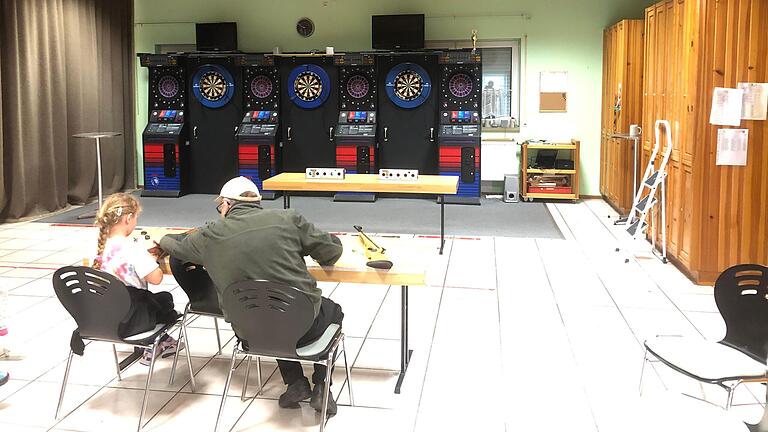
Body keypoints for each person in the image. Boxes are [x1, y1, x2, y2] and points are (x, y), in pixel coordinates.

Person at [157, 176, 344, 416]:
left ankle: (295, 383)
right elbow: (331, 253)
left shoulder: (209, 235)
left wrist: (162, 240)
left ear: (226, 204)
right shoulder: (288, 219)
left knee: (264, 313)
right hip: (304, 326)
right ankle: (322, 387)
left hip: (249, 332)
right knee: (331, 310)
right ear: (256, 202)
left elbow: (177, 247)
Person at [93, 192, 180, 365]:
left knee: (151, 301)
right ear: (128, 218)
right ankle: (154, 343)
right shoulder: (132, 248)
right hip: (132, 320)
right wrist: (151, 261)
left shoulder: (99, 246)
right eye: (135, 218)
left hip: (105, 317)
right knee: (165, 300)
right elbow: (156, 278)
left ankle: (162, 341)